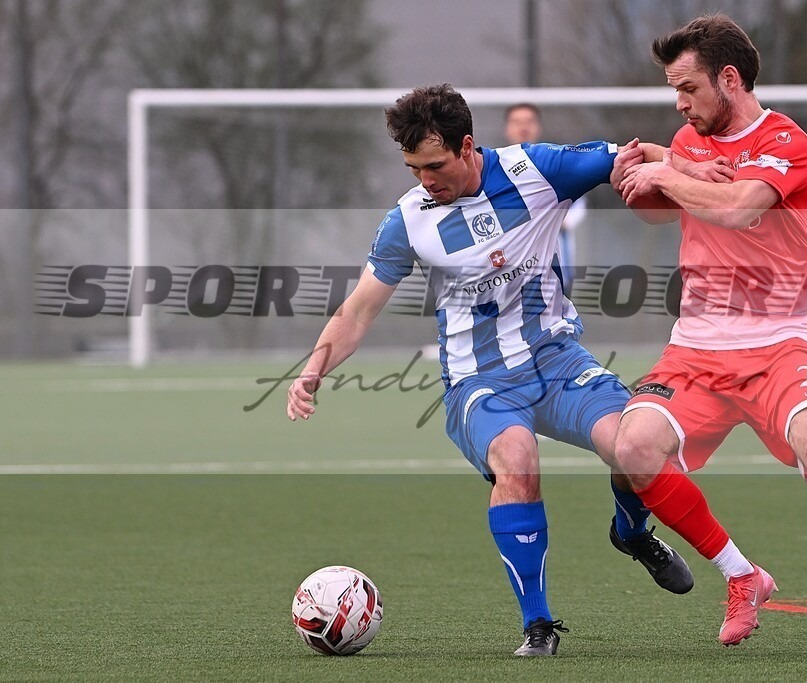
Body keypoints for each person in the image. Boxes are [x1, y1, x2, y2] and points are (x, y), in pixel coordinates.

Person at [285, 84, 692, 657]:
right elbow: (358, 309)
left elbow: (631, 157)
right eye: (412, 167)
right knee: (518, 459)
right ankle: (539, 625)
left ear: (467, 145)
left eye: (434, 164)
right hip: (478, 381)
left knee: (639, 445)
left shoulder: (539, 170)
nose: (424, 178)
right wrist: (314, 369)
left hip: (556, 358)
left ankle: (629, 531)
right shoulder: (408, 220)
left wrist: (701, 175)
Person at [612, 15, 807, 657]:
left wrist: (670, 173)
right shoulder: (688, 140)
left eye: (688, 88)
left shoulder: (787, 140)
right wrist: (640, 176)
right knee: (633, 450)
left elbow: (743, 205)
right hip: (696, 343)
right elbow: (660, 205)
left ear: (729, 79)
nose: (680, 102)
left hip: (780, 339)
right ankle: (742, 575)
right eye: (675, 90)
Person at [504, 103, 586, 294]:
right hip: (508, 274)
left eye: (529, 122)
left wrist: (555, 216)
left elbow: (578, 207)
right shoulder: (492, 168)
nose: (523, 128)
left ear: (538, 127)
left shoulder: (556, 162)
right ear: (507, 128)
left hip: (555, 271)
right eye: (517, 122)